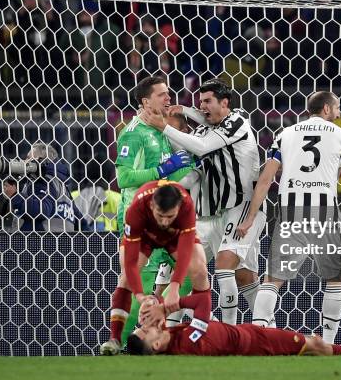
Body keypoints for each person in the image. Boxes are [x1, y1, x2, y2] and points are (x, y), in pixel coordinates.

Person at [142, 78, 265, 326]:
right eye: (200, 102)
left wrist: (163, 126)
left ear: (225, 102)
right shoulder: (205, 128)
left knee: (224, 268)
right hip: (213, 214)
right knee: (225, 274)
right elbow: (190, 152)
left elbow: (201, 147)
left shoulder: (237, 122)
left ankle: (231, 332)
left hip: (241, 208)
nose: (203, 106)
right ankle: (175, 330)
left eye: (208, 101)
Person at [237, 91, 341, 344]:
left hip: (291, 212)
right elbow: (335, 175)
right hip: (325, 212)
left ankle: (260, 338)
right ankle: (329, 344)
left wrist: (250, 217)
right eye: (338, 108)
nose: (340, 113)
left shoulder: (285, 134)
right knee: (334, 281)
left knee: (272, 280)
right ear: (327, 110)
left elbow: (266, 179)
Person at [114, 75, 195, 345]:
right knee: (137, 283)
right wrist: (164, 169)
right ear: (146, 101)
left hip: (163, 218)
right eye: (162, 95)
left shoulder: (159, 130)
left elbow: (168, 177)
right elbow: (124, 178)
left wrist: (192, 164)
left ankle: (161, 330)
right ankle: (124, 345)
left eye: (168, 93)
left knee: (190, 274)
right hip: (138, 219)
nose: (168, 98)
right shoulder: (133, 133)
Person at [100, 180, 210, 356]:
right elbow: (130, 263)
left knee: (200, 270)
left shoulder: (187, 205)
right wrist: (139, 295)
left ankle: (199, 333)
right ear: (152, 205)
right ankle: (115, 339)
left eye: (170, 216)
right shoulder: (136, 209)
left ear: (179, 207)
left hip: (175, 237)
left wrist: (175, 286)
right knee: (126, 276)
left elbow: (185, 251)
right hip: (145, 235)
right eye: (160, 215)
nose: (165, 222)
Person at [127, 291, 341, 357]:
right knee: (315, 343)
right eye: (147, 329)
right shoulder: (189, 342)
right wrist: (166, 306)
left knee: (311, 350)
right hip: (257, 342)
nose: (150, 324)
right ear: (156, 344)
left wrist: (153, 304)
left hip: (247, 332)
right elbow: (203, 301)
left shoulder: (172, 340)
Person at [3, 142, 78, 232]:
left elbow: (43, 210)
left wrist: (15, 196)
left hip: (41, 242)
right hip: (62, 242)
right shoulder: (62, 187)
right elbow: (80, 219)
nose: (24, 161)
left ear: (40, 160)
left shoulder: (42, 180)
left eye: (28, 158)